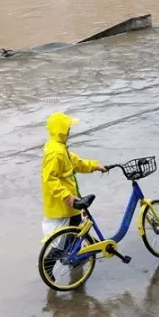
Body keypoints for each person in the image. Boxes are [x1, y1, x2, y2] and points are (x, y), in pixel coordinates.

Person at [41, 113, 106, 269]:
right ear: (62, 130)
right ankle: (48, 265)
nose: (70, 130)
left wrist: (95, 166)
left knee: (75, 234)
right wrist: (67, 197)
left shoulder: (60, 147)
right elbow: (49, 179)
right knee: (64, 242)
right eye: (68, 127)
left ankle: (74, 261)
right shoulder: (56, 153)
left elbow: (76, 163)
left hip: (70, 203)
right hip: (63, 205)